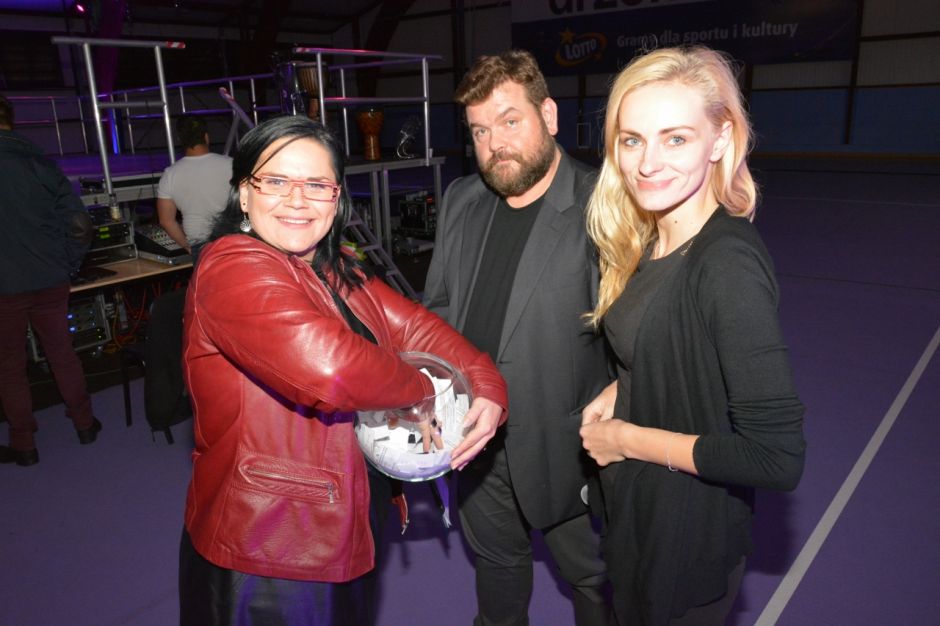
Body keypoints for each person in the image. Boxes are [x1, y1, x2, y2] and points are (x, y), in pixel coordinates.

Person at [178, 115, 508, 625]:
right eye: (275, 181)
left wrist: (485, 383)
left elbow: (416, 327)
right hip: (271, 541)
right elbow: (333, 370)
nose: (297, 200)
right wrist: (426, 392)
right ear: (244, 193)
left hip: (345, 513)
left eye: (317, 185)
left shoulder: (331, 264)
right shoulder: (233, 265)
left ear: (337, 199)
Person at [579, 46, 807, 625]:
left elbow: (775, 457)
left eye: (675, 138)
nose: (647, 163)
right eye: (632, 140)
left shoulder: (725, 264)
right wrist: (624, 385)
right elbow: (675, 345)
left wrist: (625, 438)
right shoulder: (655, 238)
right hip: (641, 519)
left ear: (721, 140)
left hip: (684, 539)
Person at [423, 50, 611, 626]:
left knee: (596, 581)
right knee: (497, 566)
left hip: (567, 447)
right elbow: (439, 310)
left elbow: (639, 340)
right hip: (474, 439)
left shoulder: (603, 205)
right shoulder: (462, 199)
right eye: (480, 130)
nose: (494, 144)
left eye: (510, 121)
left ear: (548, 116)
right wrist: (430, 391)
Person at [0, 95, 102, 467]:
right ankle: (85, 424)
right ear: (11, 121)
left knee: (10, 366)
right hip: (50, 279)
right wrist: (67, 265)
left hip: (4, 288)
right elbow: (80, 225)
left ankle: (24, 445)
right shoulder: (42, 164)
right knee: (62, 353)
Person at [155, 115, 232, 255]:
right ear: (206, 137)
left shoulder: (170, 174)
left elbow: (166, 221)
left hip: (200, 246)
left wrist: (188, 247)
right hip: (234, 241)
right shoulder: (232, 165)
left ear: (180, 140)